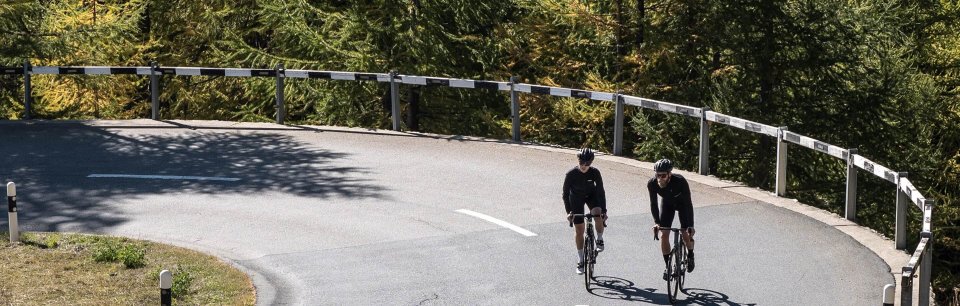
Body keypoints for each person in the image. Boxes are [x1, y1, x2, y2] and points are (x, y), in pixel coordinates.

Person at [648, 158, 696, 279]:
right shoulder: (652, 183)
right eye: (658, 175)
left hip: (683, 205)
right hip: (667, 205)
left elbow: (688, 204)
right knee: (664, 235)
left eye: (663, 175)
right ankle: (668, 266)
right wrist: (657, 222)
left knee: (685, 233)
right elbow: (653, 204)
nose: (660, 178)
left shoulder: (680, 181)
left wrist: (690, 225)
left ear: (669, 174)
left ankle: (690, 254)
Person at [563, 148, 607, 275]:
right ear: (578, 161)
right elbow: (565, 194)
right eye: (581, 162)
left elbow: (601, 192)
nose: (584, 166)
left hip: (591, 196)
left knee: (597, 213)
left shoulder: (595, 173)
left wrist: (604, 211)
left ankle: (599, 238)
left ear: (591, 163)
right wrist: (569, 212)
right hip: (576, 198)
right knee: (579, 230)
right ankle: (581, 259)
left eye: (587, 163)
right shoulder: (571, 174)